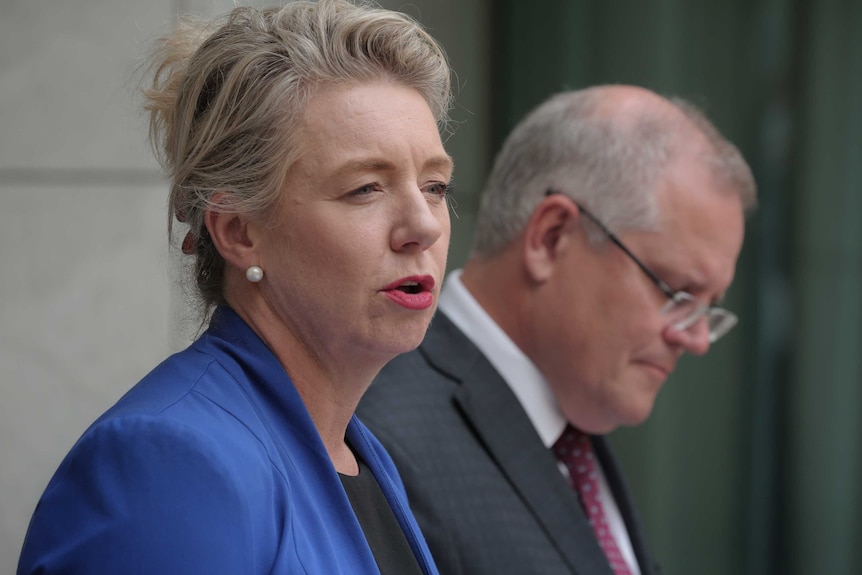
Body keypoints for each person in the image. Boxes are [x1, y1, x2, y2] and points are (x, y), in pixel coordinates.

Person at [18, 1, 454, 573]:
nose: (422, 225)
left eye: (435, 185)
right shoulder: (170, 465)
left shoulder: (357, 454)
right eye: (366, 189)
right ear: (239, 231)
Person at [357, 85, 757, 575]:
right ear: (552, 238)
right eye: (675, 291)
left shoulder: (575, 430)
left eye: (709, 309)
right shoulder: (374, 437)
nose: (695, 339)